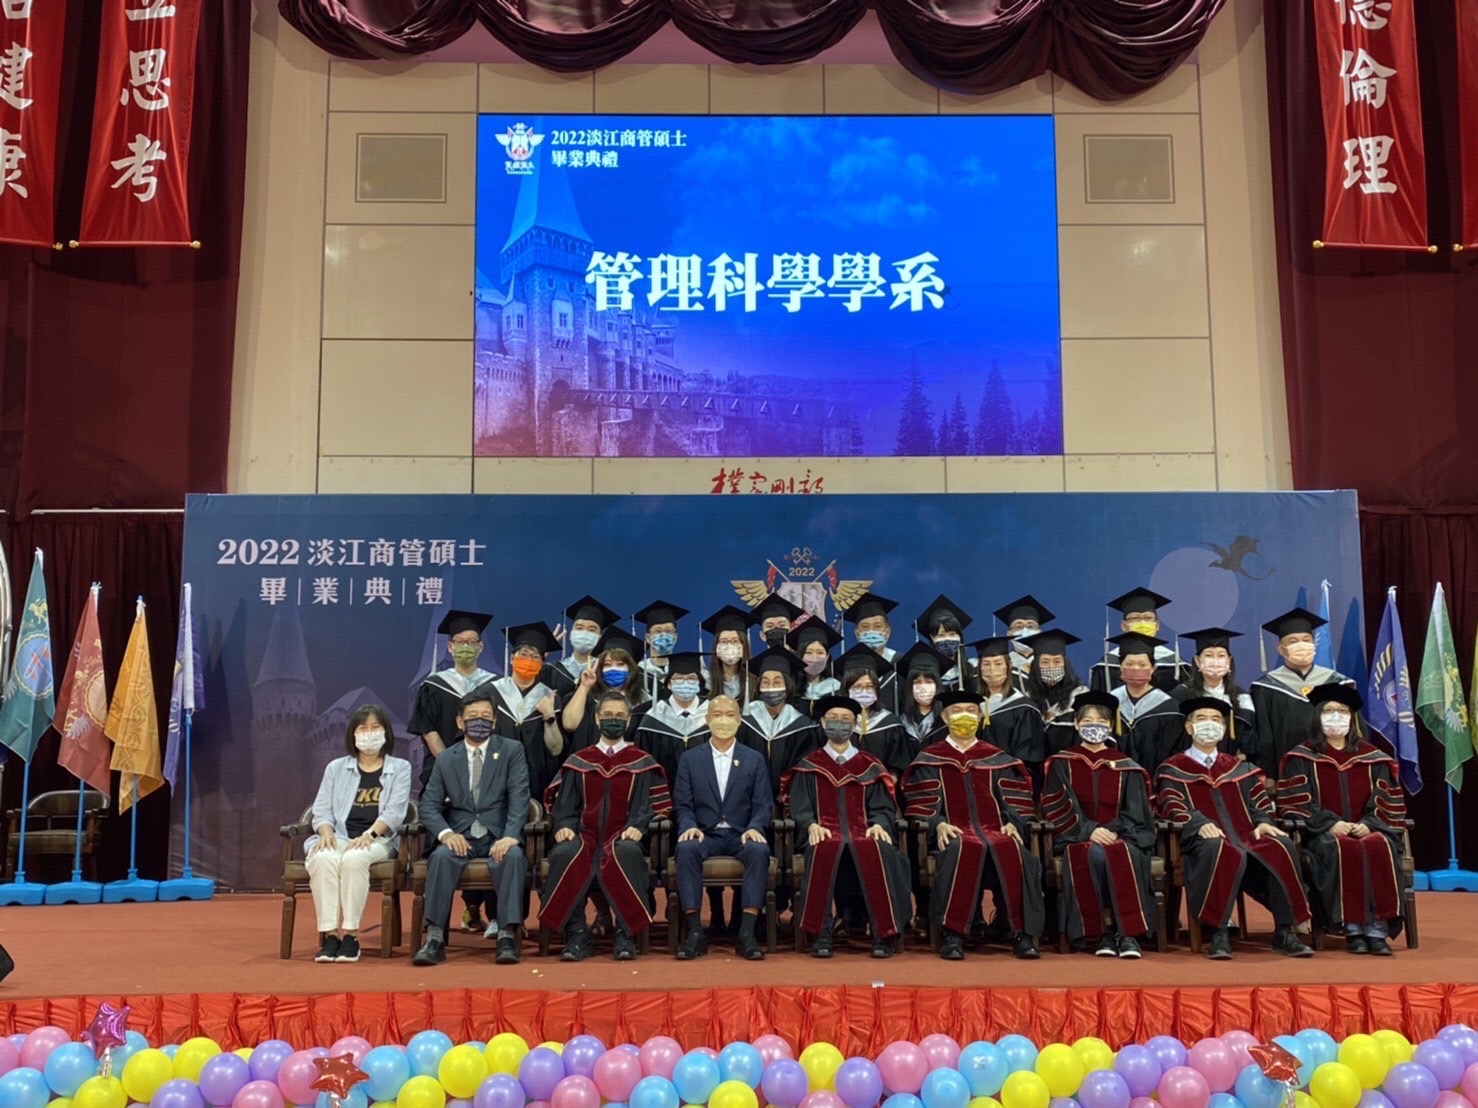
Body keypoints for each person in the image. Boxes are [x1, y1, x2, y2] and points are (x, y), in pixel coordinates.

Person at [1155, 697, 1314, 960]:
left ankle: (1284, 931)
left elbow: (1259, 802)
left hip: (1246, 836)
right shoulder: (1172, 769)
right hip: (1201, 840)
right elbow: (1170, 805)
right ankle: (1218, 932)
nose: (1209, 725)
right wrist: (1199, 823)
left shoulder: (1239, 768)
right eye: (1202, 719)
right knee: (1219, 848)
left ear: (1224, 728)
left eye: (1216, 720)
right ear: (1189, 727)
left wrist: (1264, 822)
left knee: (1280, 845)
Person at [902, 691, 1044, 960]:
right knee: (960, 848)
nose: (964, 716)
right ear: (945, 717)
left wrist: (1013, 823)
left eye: (970, 710)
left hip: (996, 831)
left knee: (1014, 850)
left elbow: (1017, 800)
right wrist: (938, 823)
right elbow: (920, 803)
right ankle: (952, 934)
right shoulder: (930, 758)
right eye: (956, 711)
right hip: (954, 833)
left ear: (980, 716)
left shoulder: (997, 758)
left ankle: (1021, 933)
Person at [540, 692, 671, 961]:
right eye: (608, 715)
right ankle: (577, 933)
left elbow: (653, 806)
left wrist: (639, 826)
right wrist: (564, 826)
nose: (614, 720)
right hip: (585, 835)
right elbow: (565, 806)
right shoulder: (580, 761)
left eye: (620, 716)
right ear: (597, 719)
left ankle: (625, 933)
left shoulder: (642, 762)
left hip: (624, 835)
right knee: (565, 852)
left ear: (629, 720)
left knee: (627, 851)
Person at [1277, 685, 1405, 955]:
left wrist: (1369, 823)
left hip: (1368, 828)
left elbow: (1387, 800)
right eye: (1328, 711)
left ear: (1353, 718)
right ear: (1317, 717)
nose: (1336, 716)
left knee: (1378, 844)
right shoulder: (1301, 757)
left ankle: (1377, 930)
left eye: (1342, 711)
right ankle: (1352, 928)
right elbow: (1296, 803)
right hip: (1323, 834)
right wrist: (1330, 823)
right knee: (1342, 847)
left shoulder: (1373, 758)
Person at [783, 694, 913, 958]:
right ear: (822, 723)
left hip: (864, 831)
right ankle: (821, 933)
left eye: (845, 719)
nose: (839, 724)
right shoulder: (809, 766)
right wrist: (810, 825)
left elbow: (883, 806)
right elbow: (799, 806)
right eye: (833, 719)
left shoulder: (870, 765)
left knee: (877, 849)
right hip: (824, 832)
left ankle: (883, 935)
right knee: (822, 848)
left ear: (855, 725)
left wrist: (879, 824)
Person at [411, 691, 530, 967]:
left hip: (497, 835)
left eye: (486, 716)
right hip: (460, 836)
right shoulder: (446, 758)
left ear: (495, 720)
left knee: (512, 856)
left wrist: (510, 836)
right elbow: (428, 805)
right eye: (473, 717)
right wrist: (446, 834)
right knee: (440, 857)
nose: (480, 721)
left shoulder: (511, 750)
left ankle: (506, 936)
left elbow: (520, 797)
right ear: (459, 722)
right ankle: (435, 938)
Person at [1041, 691, 1156, 957]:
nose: (1095, 726)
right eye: (1088, 720)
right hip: (1076, 836)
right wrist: (1089, 830)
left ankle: (1125, 934)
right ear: (1076, 724)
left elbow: (1136, 811)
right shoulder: (1062, 762)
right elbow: (1057, 804)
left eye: (1102, 721)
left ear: (1111, 726)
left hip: (1122, 836)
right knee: (1094, 854)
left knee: (1120, 852)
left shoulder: (1126, 766)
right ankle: (1103, 932)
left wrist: (1112, 830)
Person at [306, 705, 413, 963]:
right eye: (363, 728)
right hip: (341, 836)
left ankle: (351, 936)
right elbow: (321, 810)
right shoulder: (336, 768)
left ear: (386, 732)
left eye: (375, 728)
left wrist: (370, 835)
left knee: (355, 859)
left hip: (379, 840)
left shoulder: (400, 768)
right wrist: (325, 832)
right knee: (322, 858)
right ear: (353, 734)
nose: (369, 733)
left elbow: (395, 812)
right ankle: (330, 936)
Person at [672, 694, 773, 961]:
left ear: (739, 721)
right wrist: (689, 825)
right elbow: (682, 804)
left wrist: (755, 826)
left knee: (759, 851)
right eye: (717, 715)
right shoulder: (690, 758)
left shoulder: (754, 759)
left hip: (741, 834)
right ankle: (695, 931)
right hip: (706, 833)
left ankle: (747, 932)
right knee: (685, 849)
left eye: (730, 715)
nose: (723, 721)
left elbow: (763, 803)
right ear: (707, 720)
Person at [1250, 608, 1356, 777]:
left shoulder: (1339, 683)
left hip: (1335, 768)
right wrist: (1269, 775)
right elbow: (1264, 736)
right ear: (1280, 649)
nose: (1301, 645)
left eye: (1306, 640)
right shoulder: (1266, 687)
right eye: (1293, 641)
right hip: (1288, 771)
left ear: (1314, 644)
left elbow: (1355, 728)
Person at [408, 610, 496, 791]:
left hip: (487, 773)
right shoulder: (433, 686)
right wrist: (450, 767)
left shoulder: (495, 686)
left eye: (471, 642)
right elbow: (429, 731)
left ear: (480, 647)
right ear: (450, 647)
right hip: (441, 772)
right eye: (460, 642)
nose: (466, 646)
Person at [488, 622, 566, 802]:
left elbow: (556, 749)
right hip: (494, 778)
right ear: (511, 658)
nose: (529, 660)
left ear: (542, 664)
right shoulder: (488, 694)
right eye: (523, 654)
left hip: (537, 782)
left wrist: (549, 716)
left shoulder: (550, 698)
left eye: (536, 657)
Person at [738, 648, 819, 798]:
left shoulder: (803, 727)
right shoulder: (744, 721)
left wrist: (787, 795)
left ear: (787, 686)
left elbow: (803, 768)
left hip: (788, 801)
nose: (770, 687)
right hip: (748, 798)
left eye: (777, 682)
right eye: (765, 682)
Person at [972, 637, 1048, 788]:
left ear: (1009, 666)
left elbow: (1029, 758)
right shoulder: (973, 706)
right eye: (986, 664)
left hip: (1011, 785)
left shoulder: (1024, 708)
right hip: (977, 783)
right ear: (979, 668)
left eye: (998, 663)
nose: (992, 670)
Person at [560, 627, 649, 753]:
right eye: (607, 664)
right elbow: (569, 725)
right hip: (586, 761)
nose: (613, 669)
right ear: (600, 669)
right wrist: (584, 686)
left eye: (620, 664)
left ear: (631, 668)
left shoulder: (644, 703)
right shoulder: (588, 697)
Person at [1107, 632, 1186, 775]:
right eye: (1129, 664)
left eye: (1142, 664)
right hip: (1115, 778)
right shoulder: (1109, 703)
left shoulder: (1170, 708)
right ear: (1120, 666)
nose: (1136, 668)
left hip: (1156, 779)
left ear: (1153, 668)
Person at [1172, 628, 1255, 758]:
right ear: (1197, 661)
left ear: (1229, 661)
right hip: (1188, 762)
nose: (1215, 661)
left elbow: (1248, 738)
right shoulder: (1180, 694)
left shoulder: (1241, 697)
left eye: (1221, 656)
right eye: (1209, 655)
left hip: (1230, 764)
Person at [1090, 588, 1190, 692]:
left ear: (1157, 625)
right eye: (1135, 618)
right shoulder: (1106, 666)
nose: (1142, 623)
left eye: (1148, 618)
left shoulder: (1177, 664)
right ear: (1124, 626)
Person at [635, 651, 710, 788]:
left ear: (699, 683)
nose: (685, 683)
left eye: (691, 678)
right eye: (679, 678)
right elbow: (645, 767)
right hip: (664, 794)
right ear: (669, 684)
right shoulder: (653, 719)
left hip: (705, 794)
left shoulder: (712, 715)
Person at [835, 644, 910, 778]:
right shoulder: (834, 723)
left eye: (870, 686)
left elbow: (896, 769)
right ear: (846, 689)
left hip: (880, 787)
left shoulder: (891, 724)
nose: (864, 691)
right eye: (857, 687)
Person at [1021, 630, 1088, 754]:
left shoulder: (1080, 696)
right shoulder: (1027, 699)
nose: (1051, 666)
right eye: (1045, 662)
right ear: (1036, 667)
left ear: (1065, 665)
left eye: (1057, 661)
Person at [842, 591, 901, 712]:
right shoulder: (845, 665)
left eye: (877, 626)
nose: (871, 631)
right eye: (865, 627)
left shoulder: (900, 664)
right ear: (857, 633)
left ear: (888, 632)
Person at [553, 596, 621, 695]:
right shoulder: (553, 670)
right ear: (571, 634)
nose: (584, 633)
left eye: (591, 630)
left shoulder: (606, 673)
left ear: (599, 638)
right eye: (579, 628)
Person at [895, 641, 951, 751]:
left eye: (929, 682)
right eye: (917, 682)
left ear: (938, 685)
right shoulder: (902, 722)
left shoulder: (947, 721)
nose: (923, 687)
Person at [914, 594, 975, 691]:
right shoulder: (925, 674)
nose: (947, 639)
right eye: (941, 635)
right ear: (932, 638)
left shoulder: (973, 670)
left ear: (960, 637)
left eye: (952, 634)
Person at [635, 600, 690, 702]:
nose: (663, 635)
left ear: (676, 637)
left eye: (668, 631)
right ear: (648, 638)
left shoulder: (688, 669)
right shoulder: (638, 672)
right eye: (658, 631)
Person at [994, 595, 1055, 685]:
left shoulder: (1051, 663)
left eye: (1030, 626)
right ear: (1009, 634)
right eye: (1019, 626)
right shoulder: (1001, 664)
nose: (1025, 630)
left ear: (1039, 633)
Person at [702, 605, 757, 704]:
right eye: (723, 641)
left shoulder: (755, 683)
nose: (729, 646)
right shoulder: (706, 683)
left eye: (735, 641)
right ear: (716, 647)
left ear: (744, 645)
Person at [791, 620, 843, 709]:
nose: (814, 658)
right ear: (800, 656)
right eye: (808, 652)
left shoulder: (836, 687)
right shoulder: (790, 688)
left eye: (820, 652)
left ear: (827, 657)